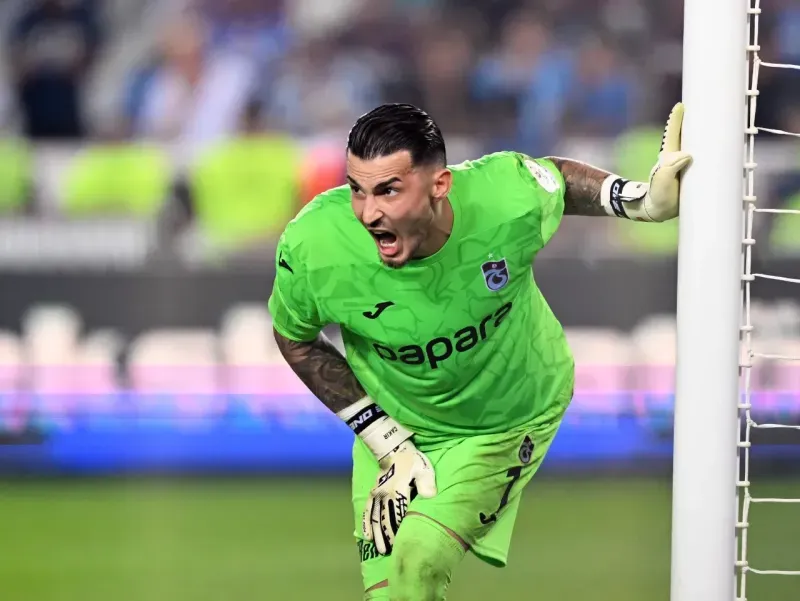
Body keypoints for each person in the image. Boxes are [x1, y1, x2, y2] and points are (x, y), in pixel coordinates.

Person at [268, 102, 691, 600]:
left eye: (388, 190)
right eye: (357, 189)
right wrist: (388, 442)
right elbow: (294, 335)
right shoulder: (316, 244)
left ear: (440, 185)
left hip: (505, 420)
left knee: (418, 559)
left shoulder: (502, 198)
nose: (368, 212)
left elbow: (555, 180)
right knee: (392, 596)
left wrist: (642, 202)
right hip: (397, 428)